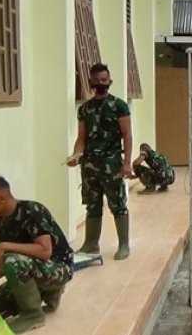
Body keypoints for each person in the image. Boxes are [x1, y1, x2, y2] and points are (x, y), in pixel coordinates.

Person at [0, 175, 73, 333]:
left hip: (58, 269)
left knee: (13, 260)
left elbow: (45, 251)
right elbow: (4, 266)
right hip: (31, 270)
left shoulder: (32, 210)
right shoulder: (1, 224)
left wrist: (5, 246)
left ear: (2, 199)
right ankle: (45, 293)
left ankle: (33, 314)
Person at [67, 63, 133, 260]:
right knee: (92, 205)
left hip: (111, 164)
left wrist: (127, 163)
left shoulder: (119, 105)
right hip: (89, 165)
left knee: (117, 204)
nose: (101, 84)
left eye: (104, 80)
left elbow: (127, 135)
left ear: (110, 81)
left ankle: (123, 245)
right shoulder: (85, 109)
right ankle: (91, 244)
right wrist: (75, 155)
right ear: (91, 83)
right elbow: (81, 137)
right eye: (97, 81)